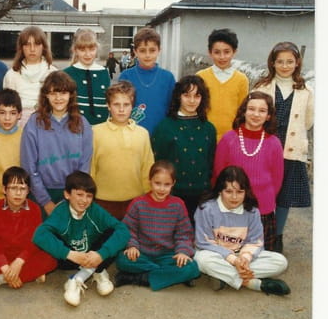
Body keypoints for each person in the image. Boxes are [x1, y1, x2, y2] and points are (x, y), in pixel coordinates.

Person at [32, 170, 129, 306]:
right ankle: (96, 270)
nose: (84, 200)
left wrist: (101, 254)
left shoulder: (94, 210)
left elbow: (123, 231)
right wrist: (70, 254)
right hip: (70, 258)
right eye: (79, 194)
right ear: (67, 194)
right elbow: (39, 235)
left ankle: (78, 278)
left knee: (114, 233)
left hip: (93, 253)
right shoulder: (60, 212)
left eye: (89, 196)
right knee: (49, 241)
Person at [252, 41, 314, 252]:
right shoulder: (261, 87)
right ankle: (257, 233)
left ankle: (277, 236)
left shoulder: (306, 91)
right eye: (280, 61)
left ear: (297, 63)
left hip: (290, 149)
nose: (285, 66)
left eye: (290, 61)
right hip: (264, 148)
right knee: (261, 190)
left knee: (284, 196)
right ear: (272, 63)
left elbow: (308, 120)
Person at [194, 165, 290, 294]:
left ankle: (225, 277)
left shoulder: (252, 211)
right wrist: (232, 260)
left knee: (280, 262)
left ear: (246, 192)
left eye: (240, 192)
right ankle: (251, 283)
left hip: (241, 255)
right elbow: (203, 242)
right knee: (201, 260)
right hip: (217, 255)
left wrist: (244, 259)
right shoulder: (206, 209)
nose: (234, 197)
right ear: (220, 191)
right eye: (228, 192)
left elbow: (255, 242)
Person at [213, 90, 285, 250]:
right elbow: (219, 174)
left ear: (268, 116)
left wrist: (265, 200)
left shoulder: (274, 143)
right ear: (244, 111)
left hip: (262, 209)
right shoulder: (228, 139)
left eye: (262, 110)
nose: (256, 114)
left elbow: (277, 179)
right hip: (231, 207)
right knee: (230, 253)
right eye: (251, 109)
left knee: (259, 254)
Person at [114, 160, 200, 290]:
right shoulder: (138, 203)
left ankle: (140, 278)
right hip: (142, 253)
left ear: (173, 184)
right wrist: (132, 246)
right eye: (157, 183)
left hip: (167, 254)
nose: (161, 189)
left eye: (167, 184)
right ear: (150, 181)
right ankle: (169, 275)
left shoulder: (178, 204)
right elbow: (128, 229)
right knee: (122, 260)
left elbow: (184, 233)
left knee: (192, 268)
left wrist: (182, 252)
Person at [0, 166, 58, 289]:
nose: (18, 193)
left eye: (22, 188)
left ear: (28, 191)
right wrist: (4, 266)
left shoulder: (34, 209)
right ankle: (26, 276)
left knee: (51, 259)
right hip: (3, 256)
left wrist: (19, 261)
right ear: (4, 189)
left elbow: (35, 241)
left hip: (25, 257)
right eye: (13, 188)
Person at [20, 70, 93, 216]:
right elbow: (28, 166)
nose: (58, 98)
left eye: (63, 93)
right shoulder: (34, 123)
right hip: (41, 193)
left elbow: (84, 166)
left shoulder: (82, 124)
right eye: (53, 93)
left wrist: (73, 197)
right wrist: (46, 202)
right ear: (46, 95)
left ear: (71, 95)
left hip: (73, 194)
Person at [151, 74, 216, 221]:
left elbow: (210, 162)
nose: (192, 101)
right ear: (178, 97)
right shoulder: (165, 127)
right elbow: (157, 161)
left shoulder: (209, 129)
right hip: (171, 194)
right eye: (187, 95)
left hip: (202, 196)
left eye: (197, 96)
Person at [90, 80, 154, 219]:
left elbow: (147, 167)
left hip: (135, 201)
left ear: (132, 106)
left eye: (126, 105)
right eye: (116, 104)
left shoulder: (142, 133)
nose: (121, 109)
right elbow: (91, 168)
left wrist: (149, 195)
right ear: (108, 106)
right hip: (102, 201)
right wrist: (89, 196)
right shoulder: (95, 132)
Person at [118, 27, 175, 134]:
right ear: (135, 51)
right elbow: (119, 108)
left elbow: (173, 109)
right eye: (142, 51)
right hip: (132, 134)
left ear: (159, 50)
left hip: (161, 134)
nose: (147, 55)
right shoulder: (126, 76)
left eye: (152, 50)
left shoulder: (168, 78)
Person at [196, 28, 249, 142]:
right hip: (204, 136)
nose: (222, 57)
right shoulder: (201, 77)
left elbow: (242, 111)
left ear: (234, 52)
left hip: (232, 137)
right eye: (217, 52)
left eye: (227, 52)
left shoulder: (241, 79)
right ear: (210, 52)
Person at [2, 26, 57, 126]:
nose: (32, 49)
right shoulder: (12, 75)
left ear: (43, 46)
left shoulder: (53, 73)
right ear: (21, 47)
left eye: (37, 44)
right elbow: (8, 106)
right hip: (19, 126)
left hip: (47, 124)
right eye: (27, 44)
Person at [64, 28, 111, 125]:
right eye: (82, 50)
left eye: (91, 49)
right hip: (75, 126)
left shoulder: (104, 72)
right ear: (75, 50)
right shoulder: (67, 73)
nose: (87, 54)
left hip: (101, 126)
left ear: (97, 49)